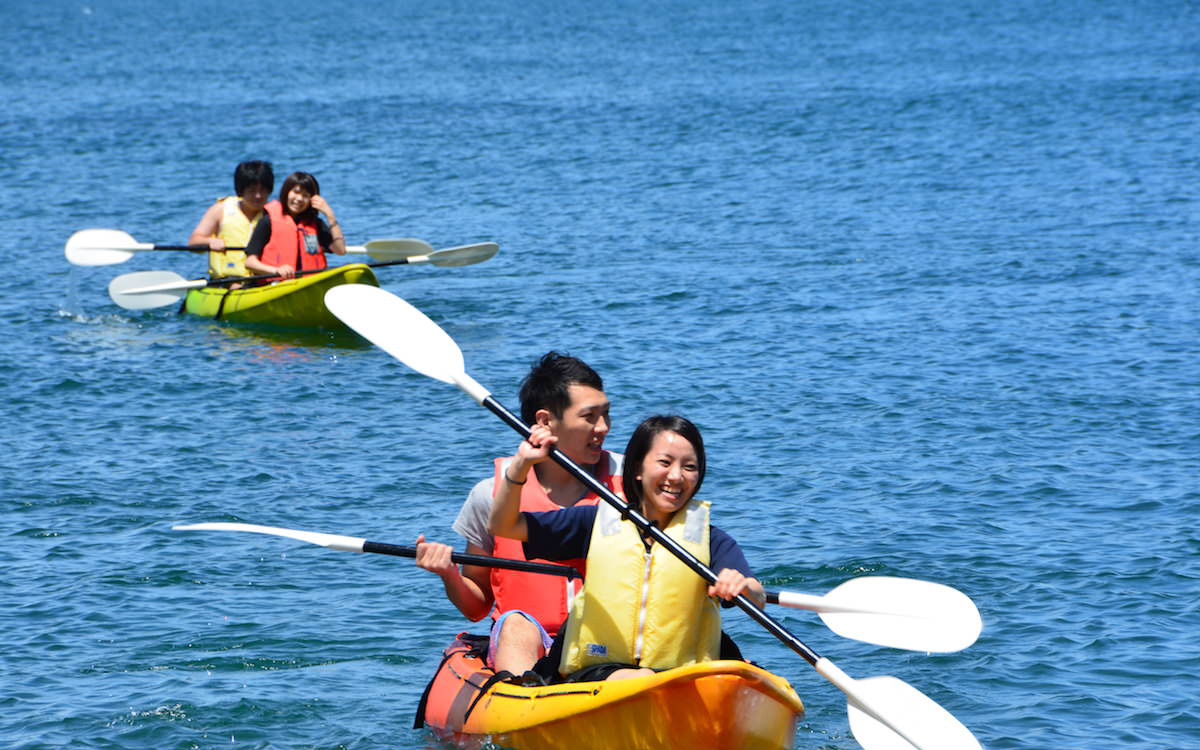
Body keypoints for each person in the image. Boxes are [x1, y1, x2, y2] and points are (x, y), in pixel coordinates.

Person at [489, 415, 763, 682]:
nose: (677, 476)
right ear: (637, 470)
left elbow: (756, 596)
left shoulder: (712, 541)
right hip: (597, 673)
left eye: (689, 467)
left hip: (681, 678)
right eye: (664, 463)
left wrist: (743, 586)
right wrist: (522, 465)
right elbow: (505, 526)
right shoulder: (593, 521)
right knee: (640, 677)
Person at [414, 352, 622, 680]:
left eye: (606, 415)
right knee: (516, 624)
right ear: (544, 421)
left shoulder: (631, 484)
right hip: (529, 640)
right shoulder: (491, 497)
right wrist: (449, 575)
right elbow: (476, 606)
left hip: (608, 640)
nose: (604, 428)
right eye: (589, 417)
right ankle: (525, 700)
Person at [243, 171, 346, 280]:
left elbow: (340, 250)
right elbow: (250, 262)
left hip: (309, 284)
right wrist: (276, 270)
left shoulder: (316, 224)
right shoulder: (268, 221)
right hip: (275, 285)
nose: (299, 199)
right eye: (296, 192)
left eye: (305, 195)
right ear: (286, 192)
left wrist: (330, 216)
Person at [187, 160, 275, 283]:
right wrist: (210, 241)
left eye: (263, 190)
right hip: (227, 281)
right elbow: (193, 243)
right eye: (252, 191)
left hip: (262, 280)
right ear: (241, 190)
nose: (258, 196)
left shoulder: (273, 214)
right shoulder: (220, 210)